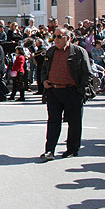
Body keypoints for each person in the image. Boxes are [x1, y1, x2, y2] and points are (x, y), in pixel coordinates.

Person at [40, 28, 93, 161]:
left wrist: (80, 91)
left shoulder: (79, 52)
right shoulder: (51, 51)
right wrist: (44, 81)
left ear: (67, 38)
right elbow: (44, 68)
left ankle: (72, 149)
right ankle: (49, 150)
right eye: (54, 36)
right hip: (54, 91)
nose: (56, 39)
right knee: (53, 122)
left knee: (74, 123)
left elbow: (87, 73)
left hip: (72, 92)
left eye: (59, 37)